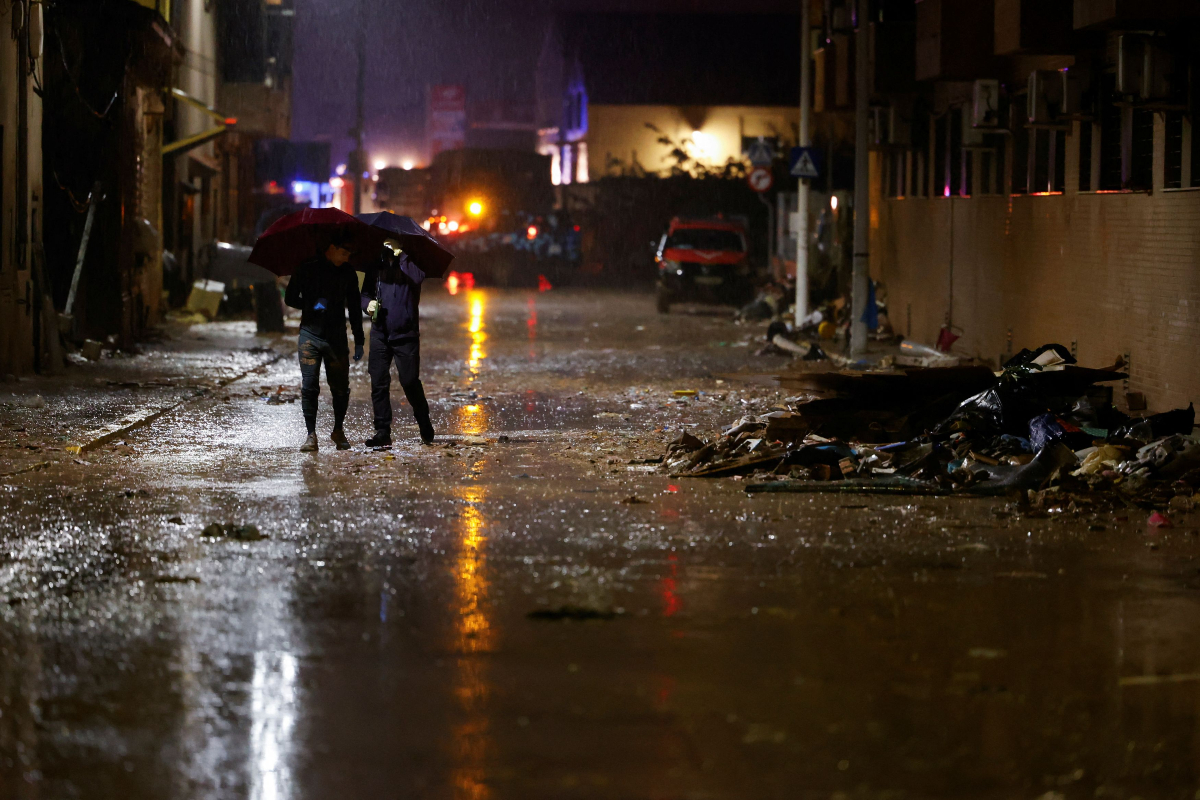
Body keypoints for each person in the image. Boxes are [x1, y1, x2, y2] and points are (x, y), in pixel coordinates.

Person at [284, 228, 365, 452]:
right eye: (345, 251)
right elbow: (290, 298)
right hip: (310, 335)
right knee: (309, 387)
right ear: (332, 248)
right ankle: (311, 435)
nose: (348, 256)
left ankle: (338, 429)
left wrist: (359, 339)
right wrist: (312, 304)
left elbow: (355, 308)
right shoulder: (306, 268)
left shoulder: (348, 273)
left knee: (340, 388)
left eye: (351, 252)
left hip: (336, 337)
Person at [361, 239, 434, 446]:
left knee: (410, 381)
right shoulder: (376, 264)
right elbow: (365, 294)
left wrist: (402, 255)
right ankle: (382, 431)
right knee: (378, 382)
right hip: (380, 334)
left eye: (391, 243)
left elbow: (419, 278)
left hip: (406, 334)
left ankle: (423, 420)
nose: (388, 247)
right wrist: (368, 305)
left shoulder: (411, 263)